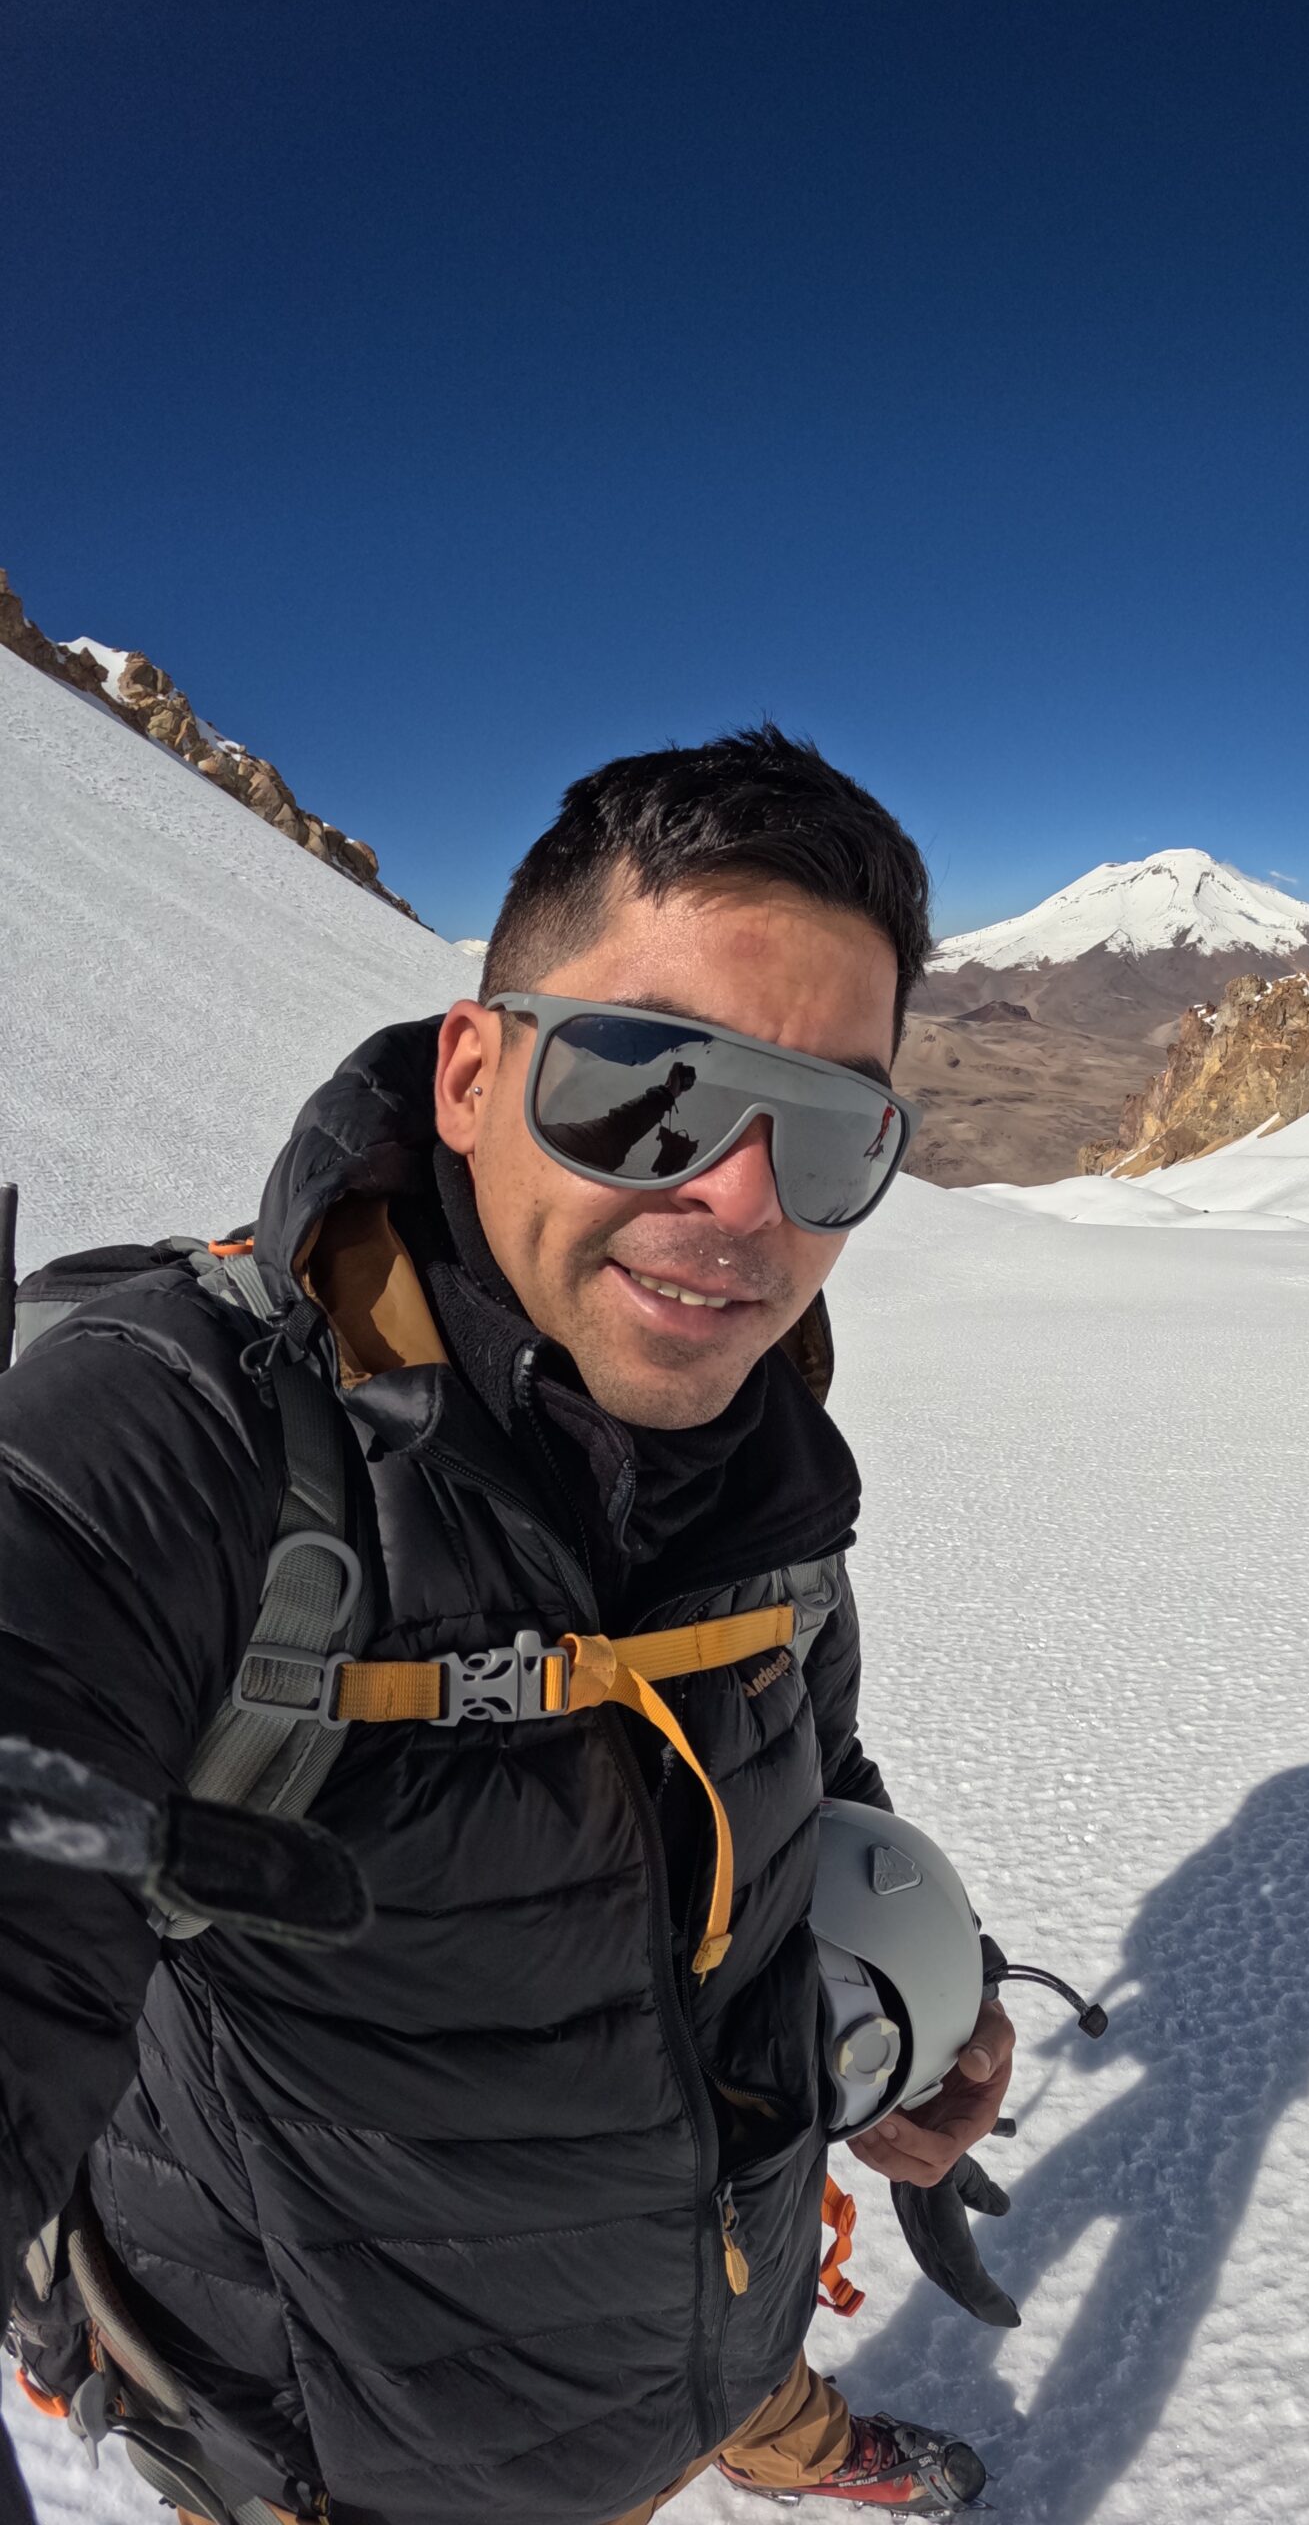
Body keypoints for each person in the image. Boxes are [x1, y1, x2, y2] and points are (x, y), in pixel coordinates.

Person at [0, 728, 1013, 2521]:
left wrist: (884, 2006)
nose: (744, 1207)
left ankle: (771, 2429)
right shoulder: (180, 1446)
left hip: (703, 2294)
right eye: (651, 1091)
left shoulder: (764, 1454)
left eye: (838, 1128)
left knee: (724, 2365)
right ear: (470, 1074)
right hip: (378, 2456)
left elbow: (798, 1781)